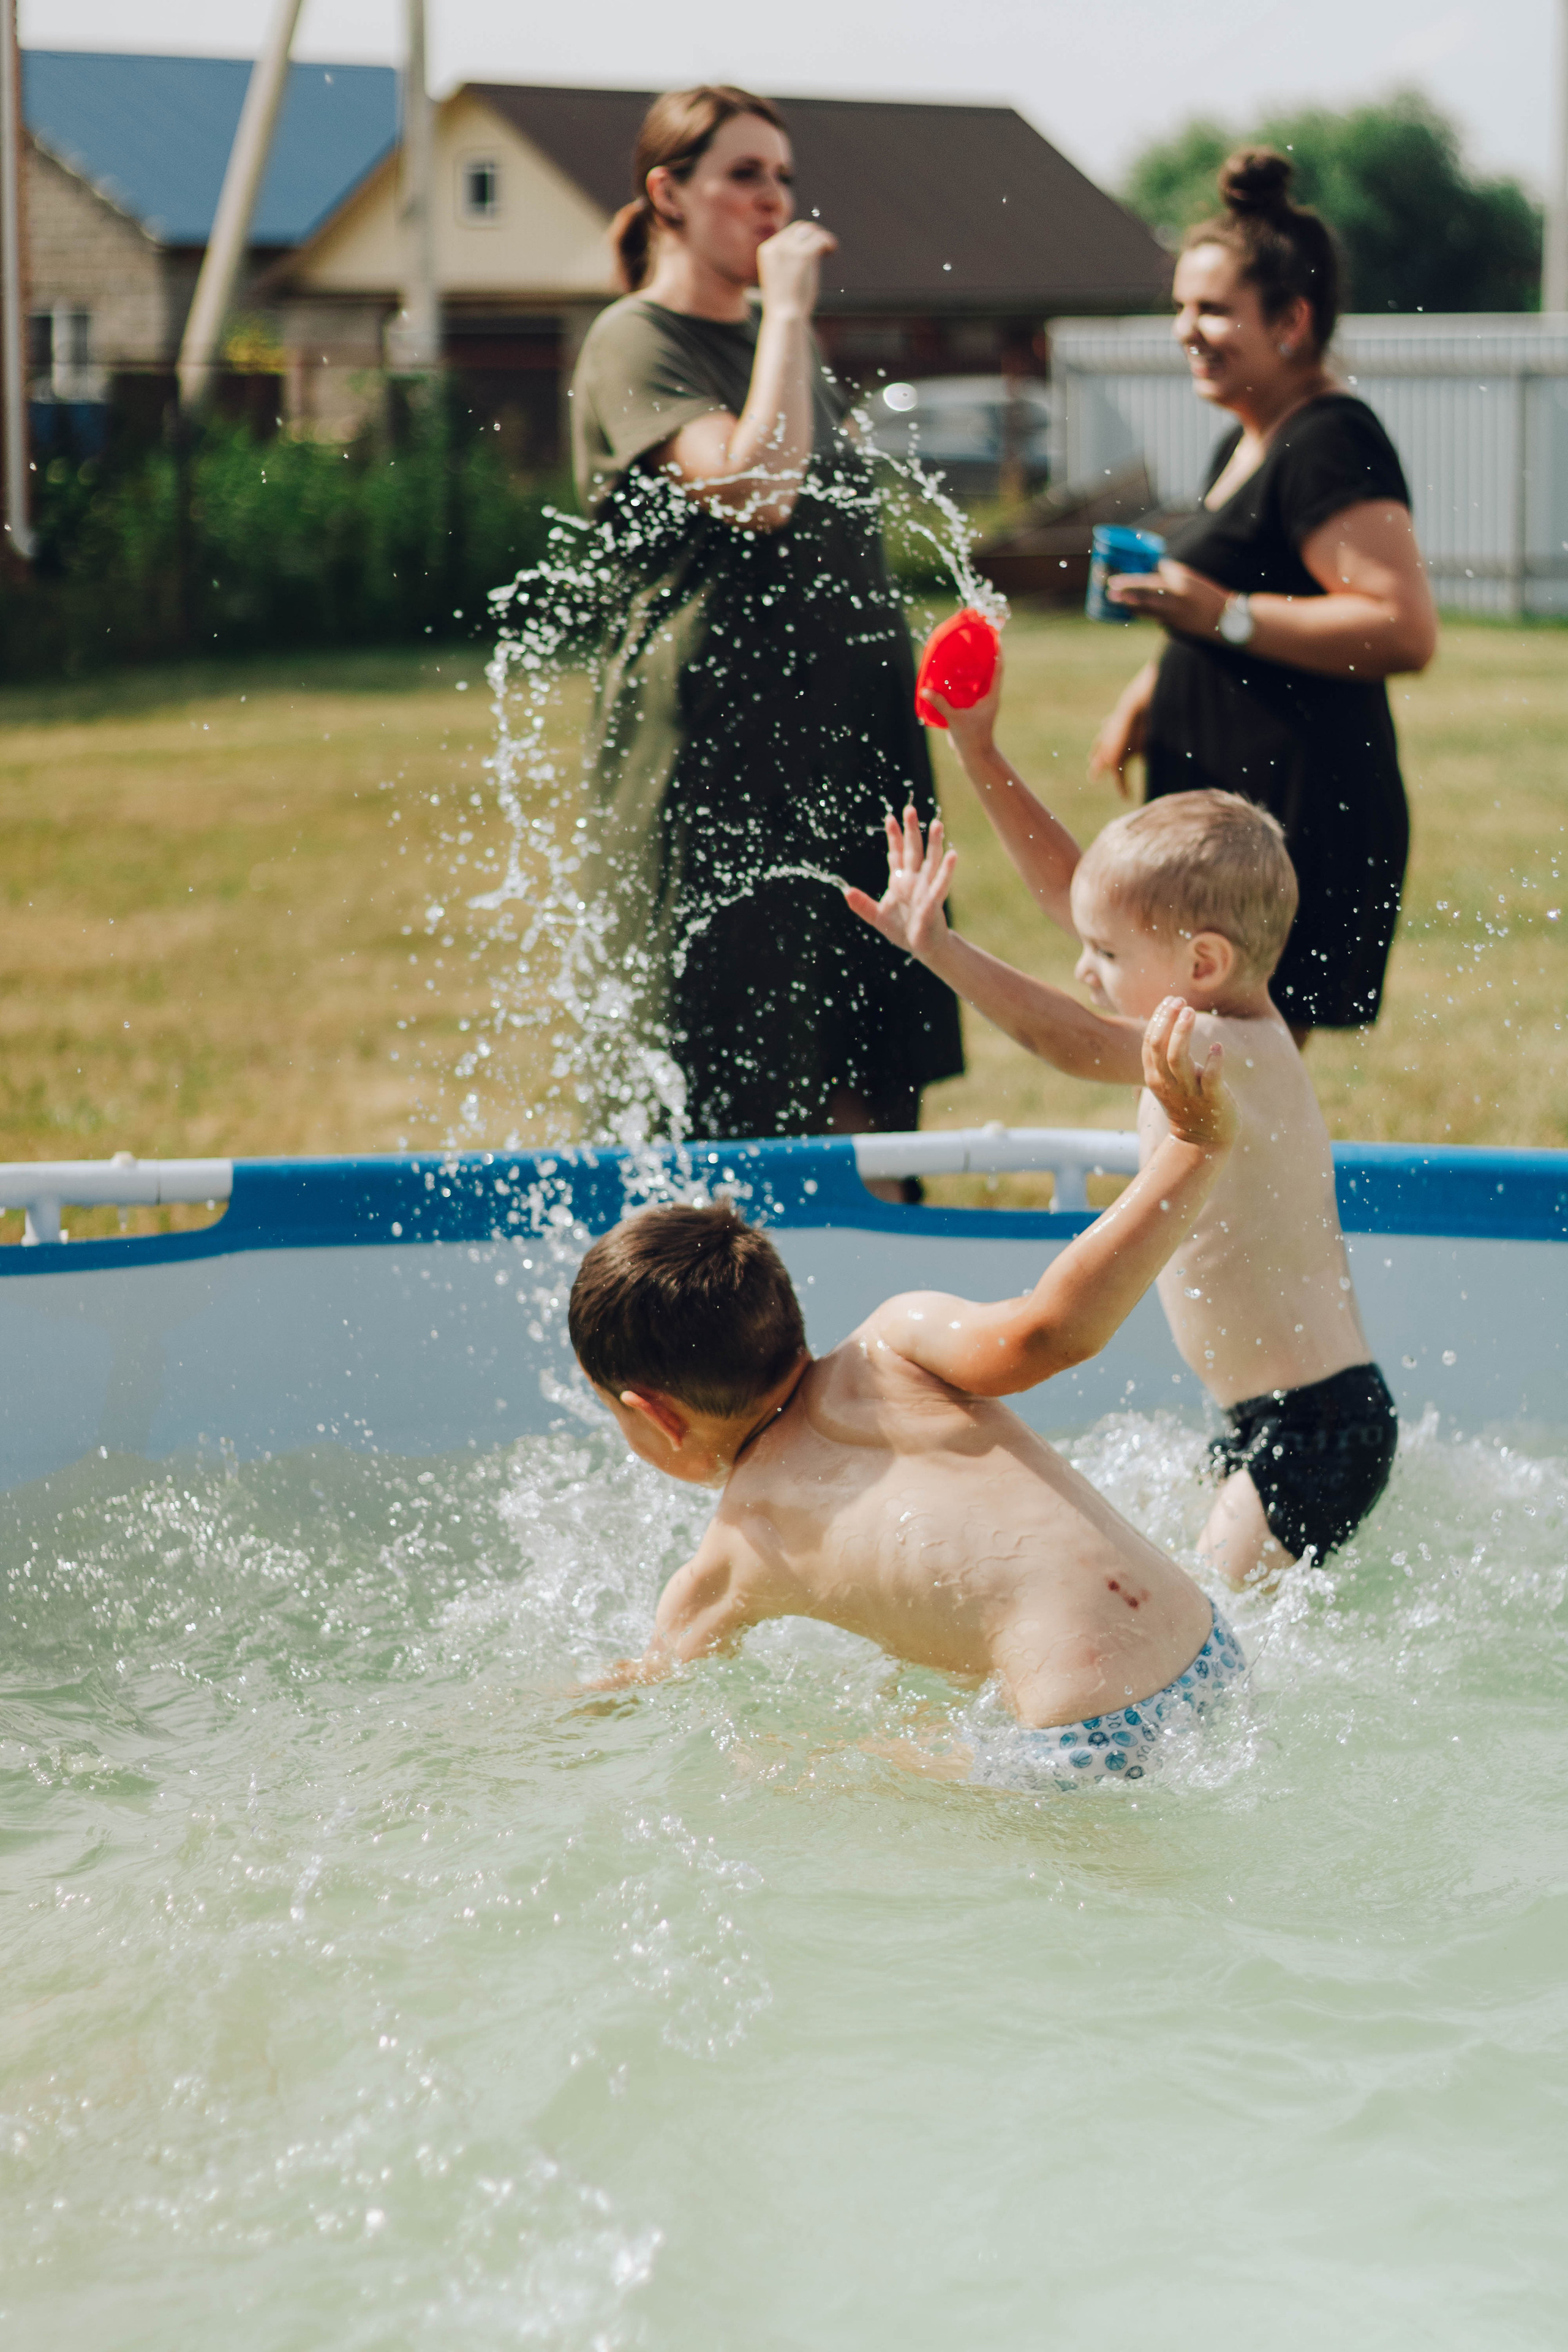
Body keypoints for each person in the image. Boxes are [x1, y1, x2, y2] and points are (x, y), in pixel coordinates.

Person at [567, 998, 1245, 1789]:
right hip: (1209, 1648)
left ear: (655, 1414)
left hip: (1085, 1738)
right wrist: (1194, 1149)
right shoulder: (896, 1341)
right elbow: (1048, 1333)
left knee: (815, 1773)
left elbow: (658, 1678)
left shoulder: (735, 1549)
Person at [848, 663, 1398, 1586]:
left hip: (1317, 1428)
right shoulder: (1215, 1008)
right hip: (1269, 1420)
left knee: (1212, 1629)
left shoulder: (1231, 1050)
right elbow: (1082, 896)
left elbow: (1066, 1040)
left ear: (1204, 961)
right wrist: (977, 751)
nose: (1084, 966)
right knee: (1194, 1607)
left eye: (1106, 955)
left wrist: (939, 948)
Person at [569, 86, 962, 1147]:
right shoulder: (632, 341)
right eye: (744, 175)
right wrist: (785, 312)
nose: (774, 202)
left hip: (848, 758)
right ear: (669, 195)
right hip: (721, 780)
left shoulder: (785, 351)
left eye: (783, 177)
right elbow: (756, 492)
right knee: (729, 1098)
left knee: (870, 1090)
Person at [1090, 148, 1438, 1042]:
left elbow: (1401, 628)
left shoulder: (1330, 439)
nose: (1186, 330)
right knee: (1207, 1083)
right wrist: (1152, 691)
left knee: (1243, 1090)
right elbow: (1244, 595)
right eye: (1179, 307)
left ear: (1292, 320)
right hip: (1230, 803)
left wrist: (1222, 616)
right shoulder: (1247, 436)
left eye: (1213, 309)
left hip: (1296, 812)